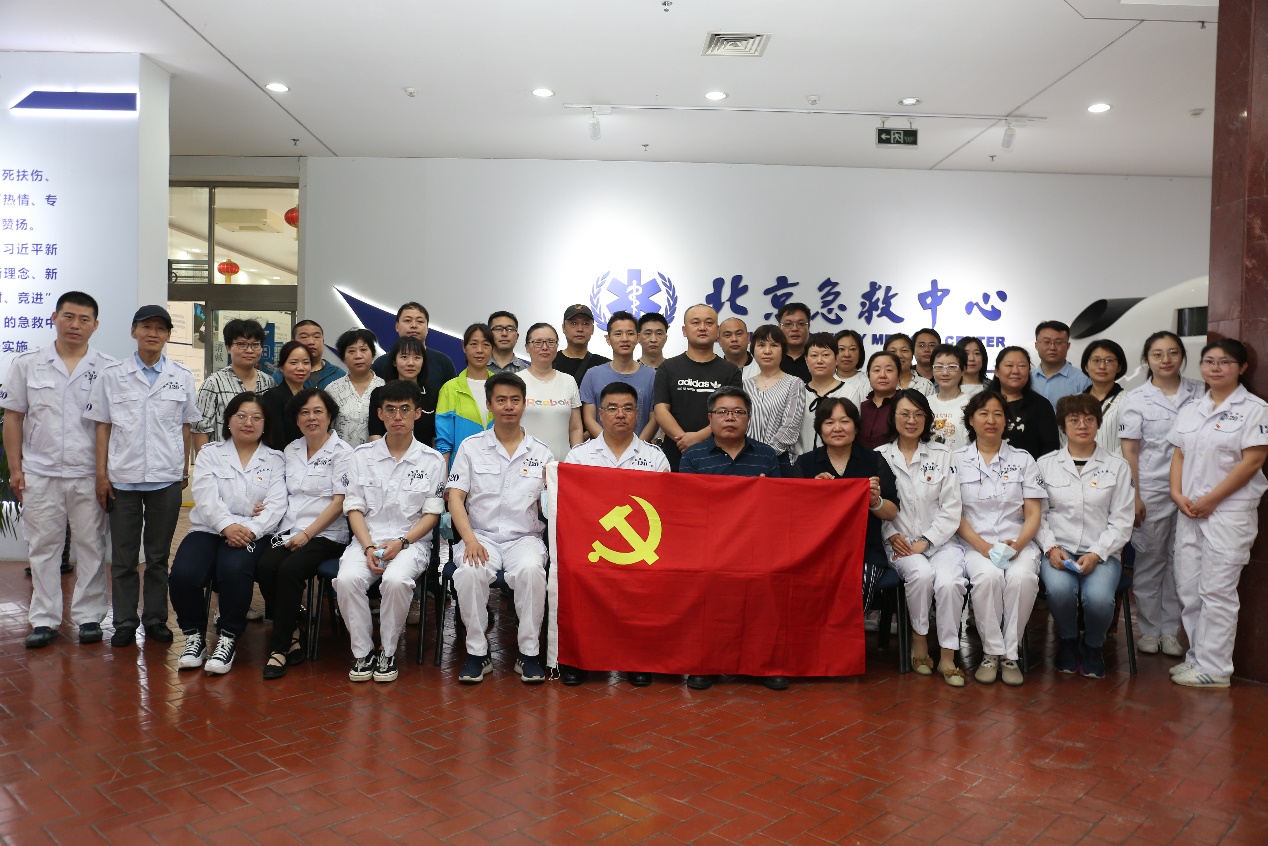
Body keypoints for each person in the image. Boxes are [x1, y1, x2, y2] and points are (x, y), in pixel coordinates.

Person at [2, 291, 116, 648]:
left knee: (91, 546)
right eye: (68, 316)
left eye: (84, 319)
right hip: (40, 471)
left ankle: (89, 617)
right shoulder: (28, 364)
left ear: (95, 325)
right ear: (54, 318)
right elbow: (13, 417)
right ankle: (44, 619)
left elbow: (111, 425)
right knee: (42, 547)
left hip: (88, 473)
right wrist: (16, 469)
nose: (75, 325)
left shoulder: (108, 368)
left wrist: (105, 473)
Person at [86, 305, 201, 648]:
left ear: (168, 335)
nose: (153, 333)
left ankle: (155, 619)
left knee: (158, 558)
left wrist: (183, 468)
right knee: (123, 559)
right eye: (146, 327)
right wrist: (101, 474)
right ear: (133, 331)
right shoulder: (112, 375)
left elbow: (186, 426)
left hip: (166, 479)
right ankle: (124, 622)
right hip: (122, 480)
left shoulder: (181, 376)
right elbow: (103, 427)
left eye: (160, 328)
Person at [1167, 339, 1268, 688]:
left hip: (1228, 513)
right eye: (1209, 361)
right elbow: (1179, 453)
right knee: (1189, 589)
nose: (1215, 367)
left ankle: (1216, 668)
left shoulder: (1255, 409)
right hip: (1190, 510)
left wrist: (1211, 500)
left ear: (1242, 368)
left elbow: (1253, 461)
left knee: (1217, 591)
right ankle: (1197, 658)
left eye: (1224, 362)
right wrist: (1176, 493)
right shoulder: (1192, 408)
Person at [559, 381, 670, 686]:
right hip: (591, 544)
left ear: (638, 413)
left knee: (649, 581)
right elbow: (569, 506)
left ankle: (638, 659)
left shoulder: (655, 458)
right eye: (612, 408)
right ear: (600, 414)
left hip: (640, 547)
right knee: (575, 576)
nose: (620, 414)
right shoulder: (579, 456)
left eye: (627, 408)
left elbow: (663, 509)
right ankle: (578, 659)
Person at [335, 379, 446, 684]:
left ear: (418, 413)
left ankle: (387, 650)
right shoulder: (361, 456)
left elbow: (432, 514)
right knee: (346, 580)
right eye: (391, 410)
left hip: (411, 543)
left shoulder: (432, 460)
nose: (398, 416)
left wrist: (401, 542)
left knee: (396, 581)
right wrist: (368, 547)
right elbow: (353, 508)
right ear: (380, 414)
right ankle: (362, 653)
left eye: (405, 409)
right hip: (367, 540)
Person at [448, 373, 555, 685]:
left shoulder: (541, 452)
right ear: (489, 405)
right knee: (469, 572)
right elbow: (455, 498)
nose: (508, 406)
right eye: (501, 400)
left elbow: (550, 506)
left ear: (524, 404)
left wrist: (549, 498)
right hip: (480, 536)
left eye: (515, 400)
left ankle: (529, 654)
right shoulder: (471, 447)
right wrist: (469, 540)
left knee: (532, 572)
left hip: (525, 537)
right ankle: (477, 653)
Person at [170, 393, 287, 675]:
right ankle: (194, 637)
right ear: (229, 421)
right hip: (210, 528)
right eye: (241, 416)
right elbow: (205, 496)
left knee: (234, 570)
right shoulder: (210, 453)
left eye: (257, 417)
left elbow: (277, 503)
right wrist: (226, 526)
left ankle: (227, 637)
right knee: (183, 574)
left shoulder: (275, 459)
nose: (249, 422)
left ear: (265, 424)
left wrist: (251, 530)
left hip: (251, 533)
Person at [681, 386, 785, 690]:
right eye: (723, 412)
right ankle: (705, 663)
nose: (730, 418)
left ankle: (765, 664)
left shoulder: (766, 455)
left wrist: (764, 495)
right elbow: (686, 508)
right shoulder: (693, 456)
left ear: (748, 418)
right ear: (710, 418)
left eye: (738, 412)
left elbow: (778, 507)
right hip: (709, 546)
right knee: (708, 580)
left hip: (756, 546)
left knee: (767, 581)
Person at [254, 388, 352, 679]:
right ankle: (294, 629)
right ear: (296, 420)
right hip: (288, 529)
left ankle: (279, 648)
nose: (311, 418)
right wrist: (265, 504)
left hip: (327, 535)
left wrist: (307, 534)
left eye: (318, 411)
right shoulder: (291, 450)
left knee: (290, 570)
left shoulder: (343, 453)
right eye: (304, 413)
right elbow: (281, 491)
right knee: (264, 566)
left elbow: (339, 502)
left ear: (329, 416)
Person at [952, 390, 1046, 687]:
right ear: (971, 420)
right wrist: (983, 547)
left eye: (997, 414)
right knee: (988, 579)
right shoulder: (956, 460)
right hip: (974, 543)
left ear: (1006, 421)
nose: (991, 420)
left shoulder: (1023, 459)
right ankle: (991, 653)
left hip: (1018, 542)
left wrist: (1017, 546)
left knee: (1023, 580)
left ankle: (1010, 655)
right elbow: (954, 513)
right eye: (983, 414)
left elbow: (1033, 513)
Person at [1118, 331, 1202, 658]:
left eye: (1173, 352)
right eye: (1157, 354)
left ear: (1182, 356)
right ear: (1147, 359)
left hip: (1193, 488)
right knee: (1151, 560)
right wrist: (1134, 495)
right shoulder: (1136, 398)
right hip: (1152, 489)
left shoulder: (1200, 391)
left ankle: (1171, 632)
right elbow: (1130, 451)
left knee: (1182, 562)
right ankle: (1150, 630)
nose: (1166, 360)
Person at [1036, 394, 1134, 679]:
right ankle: (1068, 640)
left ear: (1098, 424)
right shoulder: (1045, 464)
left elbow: (1122, 521)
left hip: (1101, 552)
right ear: (1062, 426)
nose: (1082, 425)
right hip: (1059, 549)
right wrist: (1051, 548)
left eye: (1089, 419)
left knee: (1100, 599)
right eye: (1074, 419)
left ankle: (1093, 645)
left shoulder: (1118, 466)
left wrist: (1097, 553)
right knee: (1060, 591)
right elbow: (1037, 515)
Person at [794, 397, 899, 659]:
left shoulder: (873, 461)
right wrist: (812, 493)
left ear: (856, 426)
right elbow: (794, 515)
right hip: (817, 550)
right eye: (829, 422)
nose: (838, 428)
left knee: (858, 583)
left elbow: (892, 511)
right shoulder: (806, 463)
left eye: (845, 421)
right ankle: (812, 646)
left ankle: (839, 649)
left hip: (864, 550)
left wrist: (874, 501)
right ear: (820, 428)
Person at [875, 390, 966, 687]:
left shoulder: (943, 455)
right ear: (893, 418)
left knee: (950, 581)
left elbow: (952, 508)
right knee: (922, 574)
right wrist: (892, 535)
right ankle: (920, 642)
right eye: (904, 414)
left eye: (918, 414)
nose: (911, 420)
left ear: (927, 419)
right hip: (899, 543)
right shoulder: (879, 456)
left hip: (940, 541)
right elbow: (875, 506)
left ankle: (948, 654)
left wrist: (926, 541)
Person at [653, 304, 742, 471]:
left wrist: (698, 438)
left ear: (717, 331)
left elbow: (732, 413)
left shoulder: (730, 371)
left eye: (709, 323)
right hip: (676, 453)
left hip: (719, 454)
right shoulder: (668, 367)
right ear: (684, 330)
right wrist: (683, 439)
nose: (702, 328)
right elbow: (660, 410)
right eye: (695, 323)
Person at [192, 318, 275, 452]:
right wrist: (205, 462)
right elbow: (200, 430)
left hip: (260, 459)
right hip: (221, 460)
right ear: (228, 347)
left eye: (255, 345)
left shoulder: (268, 382)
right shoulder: (213, 384)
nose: (249, 350)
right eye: (242, 344)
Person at [580, 311, 658, 442]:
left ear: (638, 337)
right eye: (618, 334)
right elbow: (589, 418)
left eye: (630, 333)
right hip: (600, 451)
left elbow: (654, 418)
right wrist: (609, 445)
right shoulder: (592, 374)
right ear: (608, 339)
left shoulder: (652, 376)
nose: (625, 339)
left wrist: (637, 447)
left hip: (641, 450)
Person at [519, 323, 584, 461]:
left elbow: (575, 428)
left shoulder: (568, 381)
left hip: (562, 464)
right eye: (538, 342)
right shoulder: (516, 381)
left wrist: (577, 459)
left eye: (550, 342)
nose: (545, 347)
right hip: (525, 464)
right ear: (527, 347)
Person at [742, 324, 805, 468]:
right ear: (753, 349)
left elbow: (790, 427)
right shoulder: (743, 385)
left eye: (774, 345)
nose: (767, 351)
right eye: (761, 345)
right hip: (744, 458)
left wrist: (764, 455)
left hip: (780, 461)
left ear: (783, 350)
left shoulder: (794, 383)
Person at [435, 324, 496, 466]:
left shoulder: (501, 386)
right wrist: (444, 477)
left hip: (497, 468)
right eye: (473, 344)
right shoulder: (450, 388)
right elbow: (444, 442)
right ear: (464, 346)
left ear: (493, 348)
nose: (479, 350)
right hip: (461, 469)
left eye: (486, 345)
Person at [370, 301, 457, 397]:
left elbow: (452, 398)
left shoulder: (443, 362)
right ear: (397, 326)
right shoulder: (381, 363)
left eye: (420, 321)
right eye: (407, 320)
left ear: (427, 328)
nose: (414, 325)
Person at [989, 346, 1060, 460]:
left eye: (1022, 366)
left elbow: (1050, 447)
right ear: (996, 371)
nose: (1015, 371)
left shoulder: (1041, 405)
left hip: (1030, 470)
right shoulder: (982, 403)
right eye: (1009, 365)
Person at [369, 336, 436, 447]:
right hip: (386, 455)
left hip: (425, 456)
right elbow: (375, 433)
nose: (410, 363)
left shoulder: (433, 395)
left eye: (417, 357)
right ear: (394, 361)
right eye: (404, 357)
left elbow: (435, 437)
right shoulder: (379, 393)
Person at [797, 333, 851, 459]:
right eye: (814, 355)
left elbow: (852, 431)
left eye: (826, 355)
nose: (820, 361)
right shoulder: (797, 392)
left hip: (838, 462)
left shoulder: (850, 391)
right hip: (801, 462)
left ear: (836, 359)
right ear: (806, 359)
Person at [327, 328, 383, 448]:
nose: (358, 356)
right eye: (351, 351)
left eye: (363, 350)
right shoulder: (332, 390)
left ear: (373, 354)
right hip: (340, 455)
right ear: (343, 357)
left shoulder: (385, 387)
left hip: (376, 456)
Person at [260, 340, 310, 451]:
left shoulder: (312, 397)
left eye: (306, 362)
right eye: (293, 363)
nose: (301, 368)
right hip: (281, 457)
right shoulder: (272, 397)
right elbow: (274, 439)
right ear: (281, 367)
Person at [1079, 339, 1128, 455]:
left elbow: (1131, 445)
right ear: (1086, 366)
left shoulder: (1130, 401)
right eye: (1096, 360)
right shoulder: (1073, 403)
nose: (1102, 366)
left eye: (1109, 361)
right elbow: (1064, 440)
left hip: (1118, 464)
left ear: (1119, 367)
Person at [1032, 320, 1091, 408]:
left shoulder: (1083, 380)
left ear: (1068, 346)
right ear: (1036, 345)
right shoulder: (1027, 379)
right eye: (1047, 342)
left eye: (1058, 342)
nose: (1052, 347)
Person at [553, 304, 610, 386]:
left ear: (592, 329)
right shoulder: (550, 362)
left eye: (585, 323)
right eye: (573, 323)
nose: (580, 329)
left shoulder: (604, 365)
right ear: (563, 328)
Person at [928, 344, 971, 451]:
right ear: (932, 370)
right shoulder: (925, 403)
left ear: (963, 370)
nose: (945, 373)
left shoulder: (971, 403)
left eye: (952, 367)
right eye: (939, 367)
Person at [859, 351, 901, 450]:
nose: (882, 375)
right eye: (877, 370)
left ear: (899, 375)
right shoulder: (860, 407)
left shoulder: (906, 406)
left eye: (889, 370)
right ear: (868, 376)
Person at [295, 320, 346, 389]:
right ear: (293, 342)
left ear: (323, 342)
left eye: (316, 337)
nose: (311, 342)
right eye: (304, 337)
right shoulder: (283, 375)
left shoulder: (339, 375)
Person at [776, 303, 812, 382]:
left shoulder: (817, 359)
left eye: (801, 324)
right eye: (788, 324)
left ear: (808, 327)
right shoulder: (772, 358)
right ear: (779, 327)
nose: (795, 329)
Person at [833, 329, 869, 404]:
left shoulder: (869, 382)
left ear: (860, 353)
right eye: (841, 349)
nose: (847, 354)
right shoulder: (826, 382)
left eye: (852, 349)